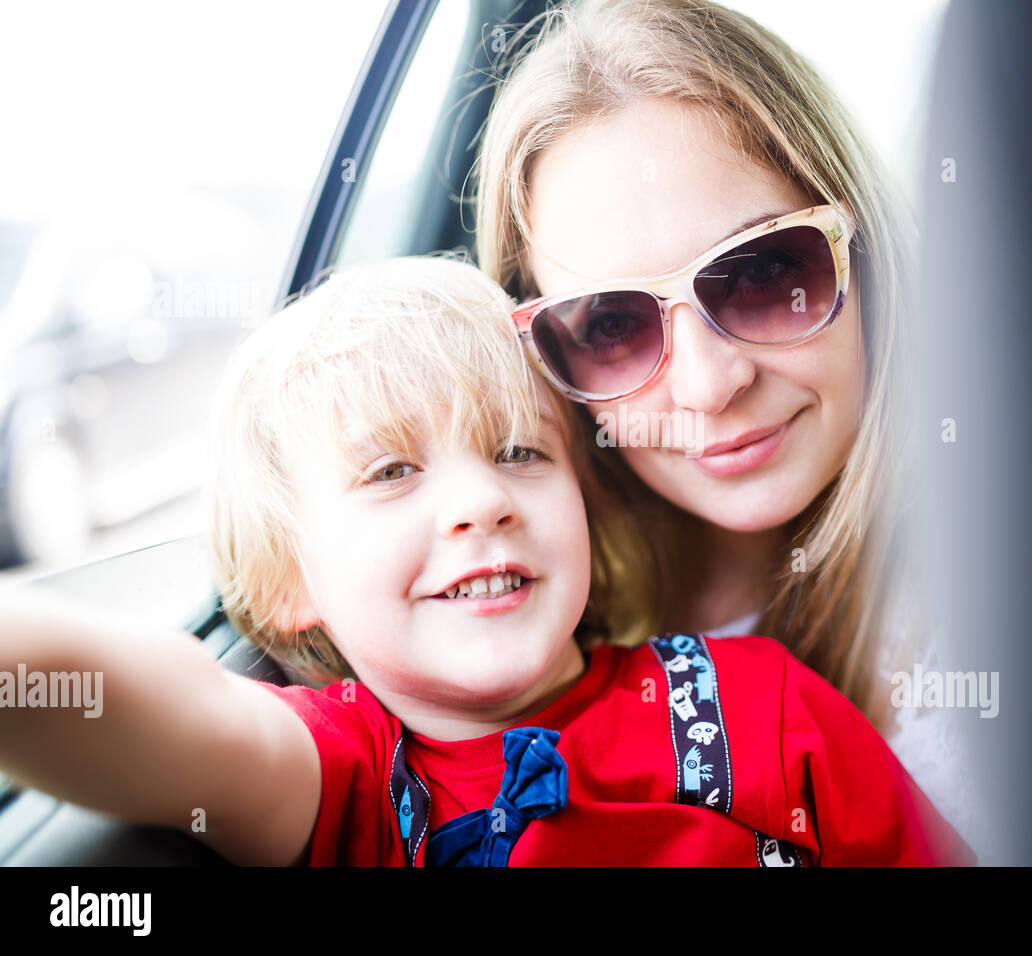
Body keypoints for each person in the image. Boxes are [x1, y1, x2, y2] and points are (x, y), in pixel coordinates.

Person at [0, 256, 973, 865]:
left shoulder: (756, 700)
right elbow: (148, 700)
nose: (480, 500)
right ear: (289, 582)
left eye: (520, 452)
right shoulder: (357, 778)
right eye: (391, 471)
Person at [473, 0, 974, 847]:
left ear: (866, 248)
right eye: (611, 325)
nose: (708, 387)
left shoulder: (1019, 609)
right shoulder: (521, 623)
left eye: (765, 271)